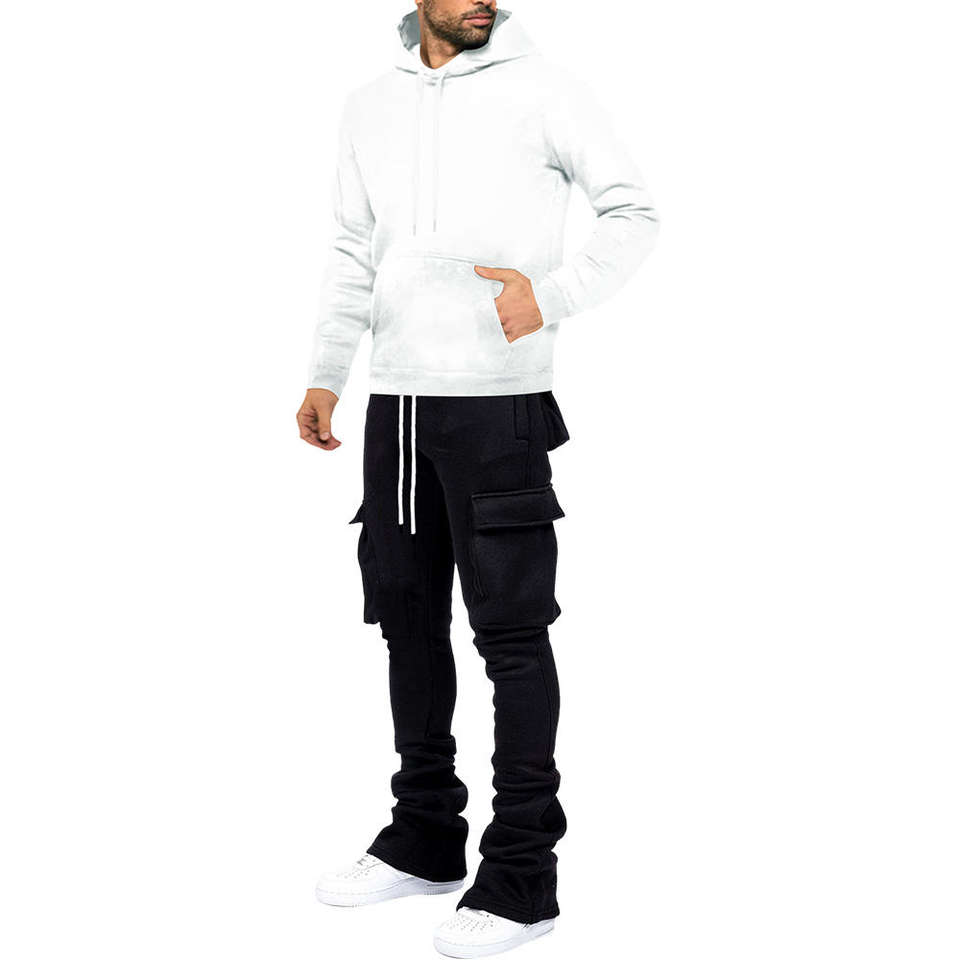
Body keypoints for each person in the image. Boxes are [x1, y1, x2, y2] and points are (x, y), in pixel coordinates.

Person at [298, 2, 658, 955]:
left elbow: (634, 209)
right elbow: (351, 247)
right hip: (396, 403)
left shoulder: (548, 90)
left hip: (498, 405)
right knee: (406, 622)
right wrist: (328, 373)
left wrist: (553, 297)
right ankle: (424, 836)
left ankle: (522, 878)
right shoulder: (367, 104)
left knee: (511, 636)